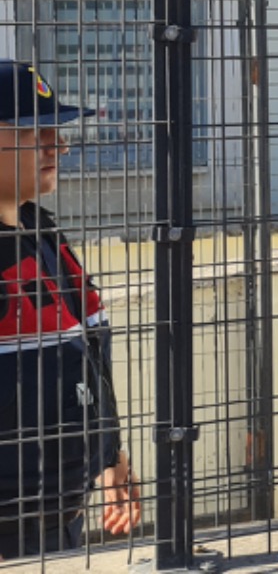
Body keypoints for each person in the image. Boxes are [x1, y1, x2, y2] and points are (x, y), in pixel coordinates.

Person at [0, 63, 139, 557]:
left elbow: (89, 351)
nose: (56, 146)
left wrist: (111, 457)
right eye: (33, 131)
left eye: (56, 132)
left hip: (57, 517)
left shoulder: (44, 236)